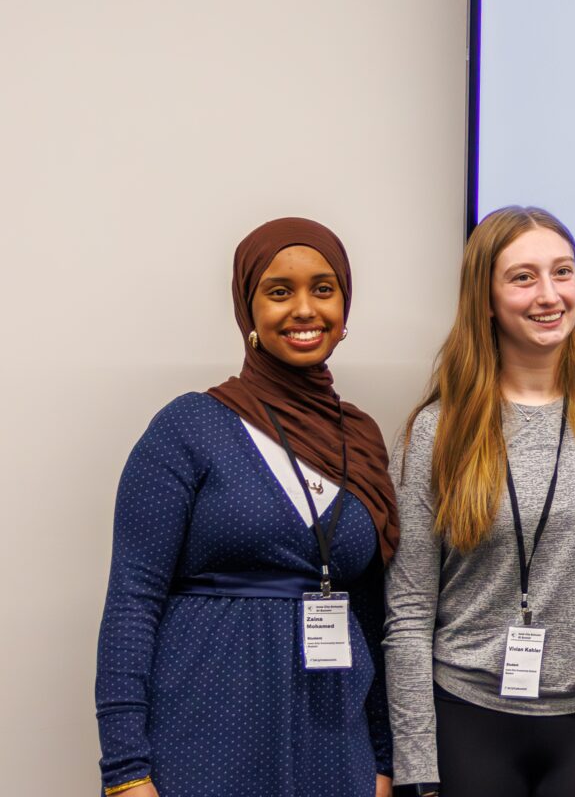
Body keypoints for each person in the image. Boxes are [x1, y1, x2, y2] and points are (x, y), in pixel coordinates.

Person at [96, 217, 399, 797]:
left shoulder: (359, 439)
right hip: (203, 734)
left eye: (323, 288)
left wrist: (381, 760)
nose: (304, 309)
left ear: (344, 307)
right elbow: (132, 602)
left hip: (335, 742)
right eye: (279, 291)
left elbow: (371, 608)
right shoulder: (189, 427)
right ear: (248, 309)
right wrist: (126, 771)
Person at [385, 206, 575, 797]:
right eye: (523, 277)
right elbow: (408, 614)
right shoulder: (435, 435)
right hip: (466, 722)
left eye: (563, 272)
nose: (549, 294)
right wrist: (419, 771)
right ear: (485, 299)